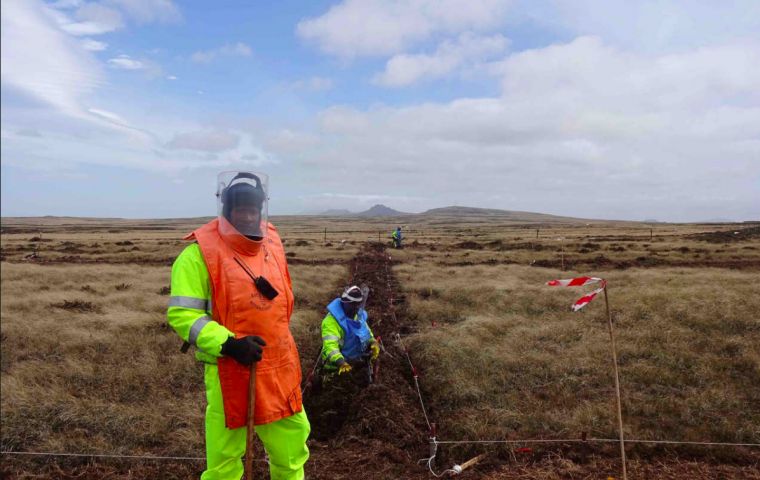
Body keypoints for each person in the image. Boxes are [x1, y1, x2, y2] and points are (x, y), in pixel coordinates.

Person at [167, 171, 309, 480]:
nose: (246, 215)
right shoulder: (196, 256)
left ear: (261, 209)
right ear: (226, 210)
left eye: (252, 209)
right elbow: (183, 315)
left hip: (279, 368)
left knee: (291, 450)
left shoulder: (272, 244)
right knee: (224, 461)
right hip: (228, 371)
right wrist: (229, 344)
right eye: (239, 209)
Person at [320, 285, 379, 375]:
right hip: (336, 366)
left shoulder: (358, 316)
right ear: (344, 303)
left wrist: (373, 342)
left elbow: (366, 333)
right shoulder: (331, 322)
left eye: (358, 304)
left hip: (356, 361)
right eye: (353, 304)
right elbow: (330, 346)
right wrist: (341, 362)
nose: (356, 307)